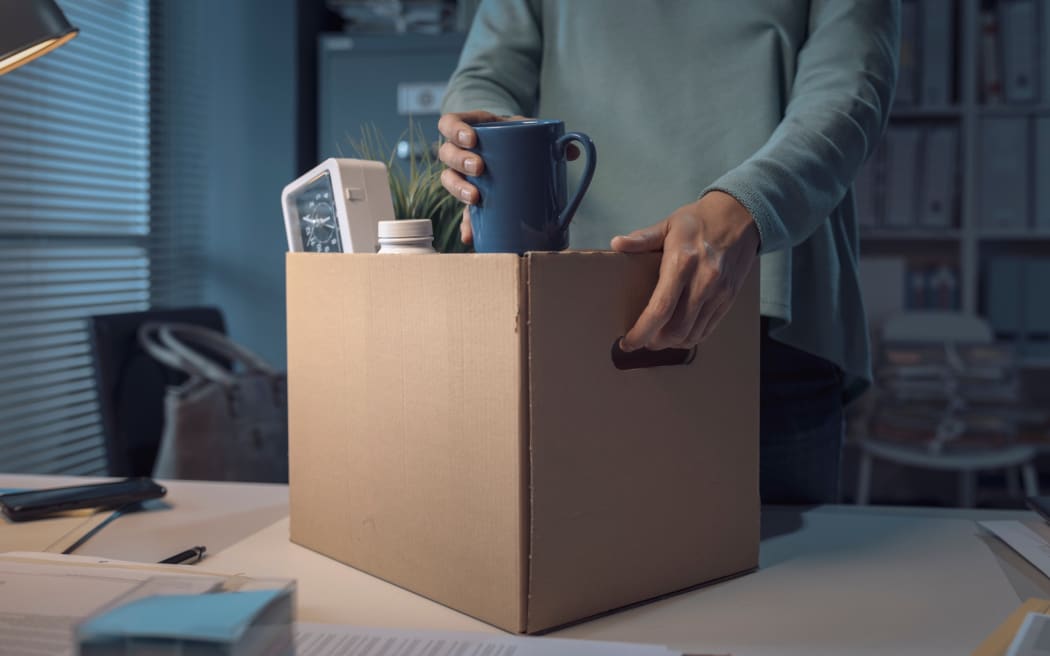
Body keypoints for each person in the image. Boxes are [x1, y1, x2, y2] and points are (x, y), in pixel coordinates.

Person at [437, 1, 899, 504]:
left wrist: (748, 204)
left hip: (767, 308)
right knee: (587, 560)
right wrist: (482, 148)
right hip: (578, 308)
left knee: (796, 572)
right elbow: (487, 75)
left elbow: (850, 84)